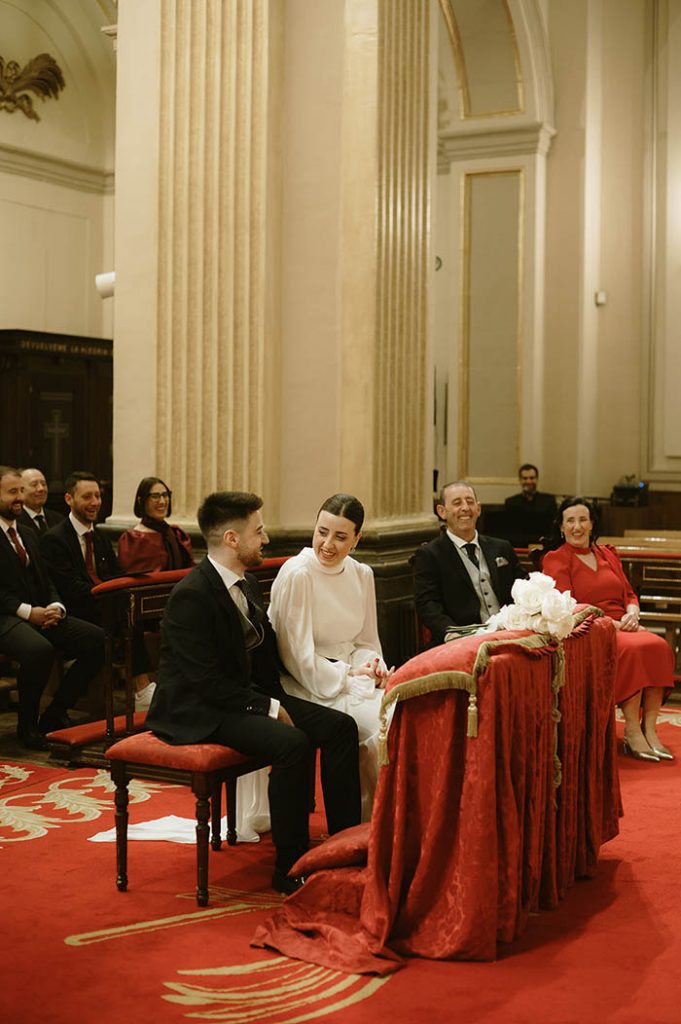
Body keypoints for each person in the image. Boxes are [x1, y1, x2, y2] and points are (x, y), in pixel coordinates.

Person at [145, 490, 361, 894]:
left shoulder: (246, 583)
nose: (265, 539)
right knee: (292, 744)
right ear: (232, 539)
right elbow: (204, 682)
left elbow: (264, 654)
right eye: (258, 531)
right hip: (198, 709)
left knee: (341, 727)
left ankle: (344, 847)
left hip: (239, 695)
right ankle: (289, 867)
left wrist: (296, 689)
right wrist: (268, 707)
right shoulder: (192, 595)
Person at [268, 493, 392, 820]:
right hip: (308, 682)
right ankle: (370, 823)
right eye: (322, 532)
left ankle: (395, 819)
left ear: (356, 539)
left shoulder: (362, 574)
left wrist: (372, 666)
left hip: (352, 675)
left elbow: (366, 640)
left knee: (401, 713)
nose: (327, 544)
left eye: (340, 537)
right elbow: (295, 656)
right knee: (380, 726)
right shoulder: (298, 574)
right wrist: (347, 676)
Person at [543, 497, 674, 762]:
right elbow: (568, 606)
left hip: (624, 623)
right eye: (570, 521)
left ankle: (650, 729)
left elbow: (629, 594)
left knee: (658, 645)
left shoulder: (607, 554)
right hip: (588, 627)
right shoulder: (556, 559)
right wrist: (613, 624)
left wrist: (632, 614)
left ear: (592, 524)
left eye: (583, 519)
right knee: (634, 648)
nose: (577, 526)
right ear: (561, 527)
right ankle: (632, 730)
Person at [0, 466, 104, 749]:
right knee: (39, 650)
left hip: (38, 612)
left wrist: (55, 605)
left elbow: (46, 579)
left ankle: (56, 712)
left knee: (97, 640)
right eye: (12, 492)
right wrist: (27, 611)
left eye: (21, 491)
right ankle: (27, 726)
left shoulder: (26, 532)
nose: (19, 497)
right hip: (6, 615)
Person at [414, 481, 527, 646]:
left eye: (470, 502)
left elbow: (524, 585)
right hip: (462, 641)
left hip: (509, 634)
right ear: (442, 512)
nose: (465, 508)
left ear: (478, 509)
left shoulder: (501, 547)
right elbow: (427, 604)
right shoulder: (430, 555)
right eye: (457, 503)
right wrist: (451, 633)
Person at [41, 471, 120, 624]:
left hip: (106, 606)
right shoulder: (54, 539)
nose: (95, 502)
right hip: (76, 613)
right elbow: (69, 588)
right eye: (87, 497)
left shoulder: (101, 537)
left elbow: (116, 573)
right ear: (69, 499)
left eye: (98, 496)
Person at [117, 477, 193, 573]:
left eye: (165, 495)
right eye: (155, 496)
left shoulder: (177, 534)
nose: (162, 501)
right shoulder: (132, 540)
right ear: (141, 500)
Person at [504, 464, 557, 545]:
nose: (528, 481)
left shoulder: (549, 501)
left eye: (532, 478)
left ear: (537, 479)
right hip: (519, 544)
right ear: (520, 480)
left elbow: (553, 528)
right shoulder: (511, 502)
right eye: (525, 478)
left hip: (543, 544)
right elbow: (510, 530)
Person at [17, 467, 64, 536]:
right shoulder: (15, 521)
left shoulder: (59, 520)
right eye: (34, 485)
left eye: (44, 484)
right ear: (21, 490)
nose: (41, 489)